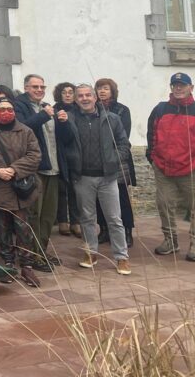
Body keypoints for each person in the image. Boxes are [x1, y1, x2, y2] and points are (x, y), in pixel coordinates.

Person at [57, 84, 132, 274]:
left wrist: (114, 159)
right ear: (76, 100)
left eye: (88, 95)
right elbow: (64, 142)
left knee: (114, 219)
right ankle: (91, 253)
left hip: (107, 177)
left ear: (95, 97)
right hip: (82, 177)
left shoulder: (111, 118)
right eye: (80, 96)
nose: (84, 99)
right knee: (87, 218)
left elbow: (124, 144)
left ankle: (122, 257)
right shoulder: (70, 118)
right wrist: (62, 124)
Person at [146, 72, 195, 261]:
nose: (178, 88)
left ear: (191, 88)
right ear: (171, 87)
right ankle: (170, 241)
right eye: (175, 85)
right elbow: (151, 135)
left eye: (182, 85)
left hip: (192, 170)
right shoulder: (160, 109)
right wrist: (152, 158)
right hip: (164, 169)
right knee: (164, 206)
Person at [0, 98, 42, 286]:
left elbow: (35, 155)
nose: (6, 112)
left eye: (9, 109)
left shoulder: (26, 131)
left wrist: (14, 169)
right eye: (2, 109)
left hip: (21, 188)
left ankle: (26, 265)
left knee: (23, 227)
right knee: (2, 226)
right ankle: (8, 262)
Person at [13, 74, 62, 271]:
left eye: (42, 87)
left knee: (48, 215)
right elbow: (21, 129)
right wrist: (43, 116)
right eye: (35, 87)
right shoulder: (19, 105)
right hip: (35, 169)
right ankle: (32, 255)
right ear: (26, 88)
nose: (39, 90)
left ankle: (41, 250)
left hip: (53, 168)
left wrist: (64, 122)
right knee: (34, 214)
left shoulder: (46, 106)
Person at [95, 77, 135, 247]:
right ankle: (104, 229)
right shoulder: (92, 109)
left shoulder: (122, 110)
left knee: (121, 197)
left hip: (117, 159)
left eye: (105, 88)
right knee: (99, 197)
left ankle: (127, 231)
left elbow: (123, 135)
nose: (102, 91)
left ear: (112, 91)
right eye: (99, 88)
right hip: (97, 160)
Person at [52, 82, 81, 238]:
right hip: (59, 153)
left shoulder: (79, 110)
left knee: (75, 190)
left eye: (71, 92)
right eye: (65, 92)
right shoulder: (54, 110)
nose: (68, 95)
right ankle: (63, 221)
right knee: (61, 189)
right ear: (59, 94)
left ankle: (76, 222)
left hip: (76, 154)